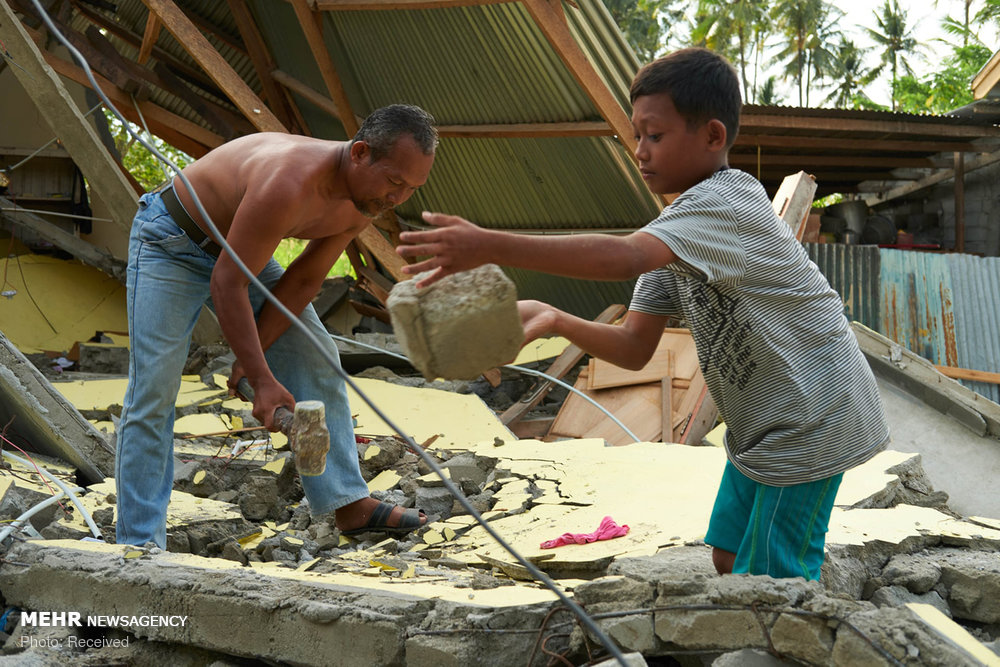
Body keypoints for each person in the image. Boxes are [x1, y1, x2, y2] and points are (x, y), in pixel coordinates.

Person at [395, 49, 889, 581]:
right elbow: (633, 348)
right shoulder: (677, 232)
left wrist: (489, 244)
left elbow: (623, 257)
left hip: (814, 417)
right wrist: (556, 318)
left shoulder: (728, 202)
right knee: (728, 556)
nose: (639, 151)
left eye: (653, 135)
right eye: (635, 136)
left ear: (713, 137)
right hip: (762, 427)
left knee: (775, 575)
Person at [116, 104, 436, 548]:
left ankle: (349, 504)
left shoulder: (366, 198)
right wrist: (263, 381)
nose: (397, 198)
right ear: (360, 153)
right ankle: (140, 545)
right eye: (395, 182)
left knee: (312, 351)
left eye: (411, 188)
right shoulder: (288, 180)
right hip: (170, 242)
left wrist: (254, 362)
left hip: (244, 251)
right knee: (153, 391)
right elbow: (227, 281)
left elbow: (304, 278)